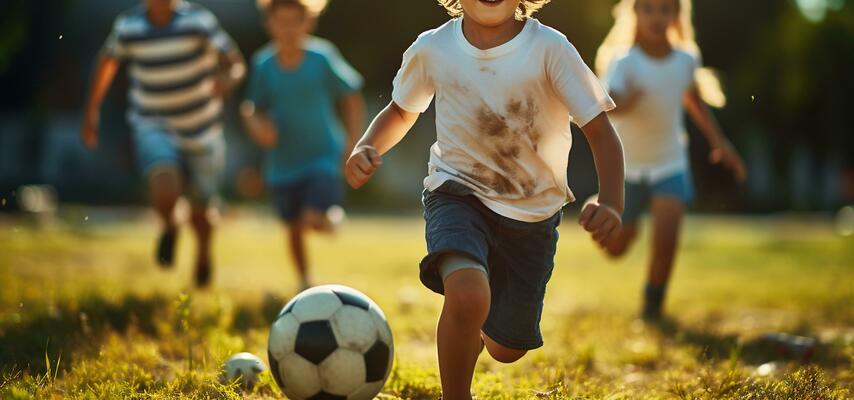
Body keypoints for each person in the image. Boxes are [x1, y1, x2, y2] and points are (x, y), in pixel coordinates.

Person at [345, 0, 624, 397]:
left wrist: (611, 201)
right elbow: (401, 110)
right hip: (457, 193)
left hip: (531, 216)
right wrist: (367, 145)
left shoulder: (550, 48)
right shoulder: (434, 47)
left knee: (507, 348)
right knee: (468, 294)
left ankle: (471, 330)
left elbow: (600, 131)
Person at [594, 0, 747, 320]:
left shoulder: (686, 59)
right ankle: (601, 212)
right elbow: (606, 106)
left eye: (665, 10)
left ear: (676, 16)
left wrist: (721, 142)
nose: (657, 17)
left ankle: (653, 305)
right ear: (635, 13)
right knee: (617, 248)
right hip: (628, 168)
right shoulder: (625, 62)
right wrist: (627, 102)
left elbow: (694, 100)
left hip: (670, 163)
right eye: (648, 9)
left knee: (666, 241)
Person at [81, 0, 246, 287]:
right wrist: (92, 109)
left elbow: (235, 63)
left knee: (201, 212)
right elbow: (108, 62)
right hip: (153, 122)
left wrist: (227, 80)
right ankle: (170, 226)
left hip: (201, 129)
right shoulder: (128, 26)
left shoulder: (197, 21)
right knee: (164, 186)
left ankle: (204, 252)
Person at [242, 0, 365, 291]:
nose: (287, 29)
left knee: (311, 218)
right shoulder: (263, 65)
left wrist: (353, 141)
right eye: (280, 22)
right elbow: (252, 107)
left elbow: (351, 94)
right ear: (269, 24)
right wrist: (257, 125)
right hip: (282, 163)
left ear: (308, 23)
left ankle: (327, 219)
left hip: (323, 155)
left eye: (294, 22)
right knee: (293, 227)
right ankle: (304, 279)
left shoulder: (322, 57)